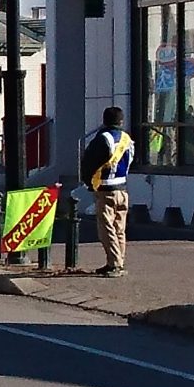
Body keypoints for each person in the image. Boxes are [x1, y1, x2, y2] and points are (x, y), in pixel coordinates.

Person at [81, 106, 135, 277]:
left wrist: (88, 181)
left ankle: (114, 264)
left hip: (105, 189)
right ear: (121, 121)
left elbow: (89, 162)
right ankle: (119, 261)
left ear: (104, 121)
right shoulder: (127, 139)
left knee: (106, 229)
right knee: (119, 228)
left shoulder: (103, 139)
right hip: (123, 188)